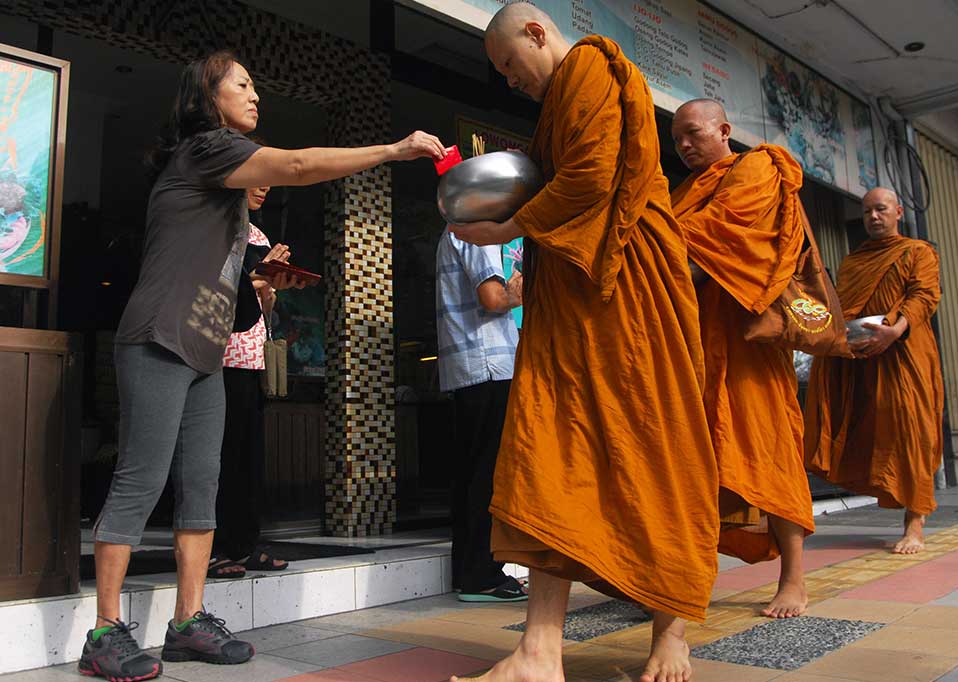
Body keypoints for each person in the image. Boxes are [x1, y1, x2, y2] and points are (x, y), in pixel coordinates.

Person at [80, 50, 444, 682]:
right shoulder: (203, 148)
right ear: (207, 95)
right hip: (157, 338)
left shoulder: (230, 193)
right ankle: (104, 632)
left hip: (203, 350)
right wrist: (391, 149)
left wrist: (263, 284)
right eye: (242, 85)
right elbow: (299, 163)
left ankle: (188, 622)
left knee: (203, 485)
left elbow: (228, 281)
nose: (256, 96)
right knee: (141, 481)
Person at [449, 5, 720, 681]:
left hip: (633, 294)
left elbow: (594, 175)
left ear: (538, 32)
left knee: (658, 446)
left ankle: (671, 632)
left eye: (512, 63)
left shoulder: (595, 67)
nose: (511, 81)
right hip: (574, 299)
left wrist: (510, 226)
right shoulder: (558, 100)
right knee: (550, 448)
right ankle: (539, 652)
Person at [669, 99, 814, 619]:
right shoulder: (681, 192)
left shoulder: (758, 169)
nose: (684, 145)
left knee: (768, 449)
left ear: (724, 129)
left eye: (693, 133)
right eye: (677, 138)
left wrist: (664, 270)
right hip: (696, 347)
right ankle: (688, 580)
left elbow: (724, 241)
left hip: (749, 344)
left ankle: (794, 579)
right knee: (694, 463)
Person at [804, 187, 943, 555]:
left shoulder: (918, 252)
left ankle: (915, 523)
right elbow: (842, 308)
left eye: (881, 209)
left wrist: (895, 331)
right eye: (867, 212)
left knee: (910, 429)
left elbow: (924, 296)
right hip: (863, 357)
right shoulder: (853, 262)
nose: (873, 218)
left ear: (898, 211)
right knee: (868, 429)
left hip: (904, 356)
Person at [207, 182, 293, 579]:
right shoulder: (214, 225)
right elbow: (214, 289)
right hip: (216, 353)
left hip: (251, 357)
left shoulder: (258, 235)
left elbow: (264, 304)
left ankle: (245, 545)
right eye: (256, 175)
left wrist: (270, 285)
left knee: (248, 457)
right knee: (218, 456)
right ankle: (214, 549)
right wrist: (257, 277)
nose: (264, 185)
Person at [435, 231, 527, 602]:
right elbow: (493, 298)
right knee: (487, 473)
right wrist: (523, 287)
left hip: (469, 365)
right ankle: (481, 574)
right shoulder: (477, 231)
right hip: (489, 362)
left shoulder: (456, 229)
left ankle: (469, 571)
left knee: (471, 472)